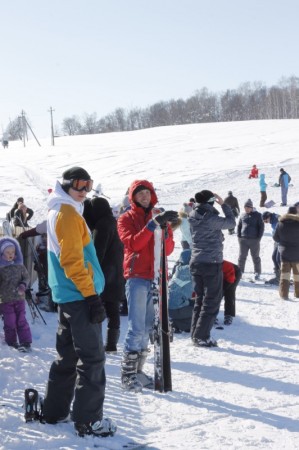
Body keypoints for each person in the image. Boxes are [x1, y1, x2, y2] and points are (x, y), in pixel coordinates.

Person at [42, 166, 116, 438]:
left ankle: (54, 410)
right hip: (78, 296)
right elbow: (72, 262)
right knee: (92, 358)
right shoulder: (68, 214)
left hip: (66, 295)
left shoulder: (58, 210)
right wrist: (91, 296)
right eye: (78, 185)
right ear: (65, 186)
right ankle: (88, 420)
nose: (84, 191)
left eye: (88, 185)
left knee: (68, 356)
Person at [117, 180, 177, 392]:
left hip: (156, 277)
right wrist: (151, 225)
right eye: (140, 194)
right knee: (136, 327)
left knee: (149, 327)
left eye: (147, 193)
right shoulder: (126, 218)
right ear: (133, 197)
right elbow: (133, 243)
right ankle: (128, 375)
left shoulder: (157, 215)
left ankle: (138, 371)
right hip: (137, 276)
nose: (144, 197)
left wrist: (165, 230)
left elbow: (168, 250)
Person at [188, 189, 235, 348]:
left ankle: (195, 333)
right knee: (212, 300)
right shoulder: (210, 218)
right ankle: (201, 336)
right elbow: (231, 222)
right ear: (210, 201)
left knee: (200, 299)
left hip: (196, 261)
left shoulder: (193, 215)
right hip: (211, 262)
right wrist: (223, 204)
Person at [83, 197, 124, 353]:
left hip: (104, 274)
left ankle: (97, 343)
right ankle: (112, 344)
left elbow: (97, 253)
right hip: (116, 272)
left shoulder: (102, 224)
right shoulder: (114, 222)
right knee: (113, 309)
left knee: (98, 308)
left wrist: (91, 272)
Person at [0, 237, 32, 352]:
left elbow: (27, 277)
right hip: (5, 300)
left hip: (20, 298)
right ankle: (11, 342)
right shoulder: (1, 268)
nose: (11, 254)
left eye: (13, 252)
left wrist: (23, 285)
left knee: (21, 320)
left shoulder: (20, 266)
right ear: (2, 253)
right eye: (8, 252)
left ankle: (26, 342)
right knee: (10, 321)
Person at [273, 206, 299, 300]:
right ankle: (298, 294)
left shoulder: (280, 223)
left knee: (284, 275)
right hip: (297, 253)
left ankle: (284, 294)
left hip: (284, 253)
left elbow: (275, 238)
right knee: (297, 275)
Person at [237, 199, 264, 280]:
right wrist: (239, 237)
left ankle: (257, 273)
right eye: (245, 207)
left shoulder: (258, 215)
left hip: (254, 240)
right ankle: (240, 272)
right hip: (243, 240)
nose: (246, 209)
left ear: (251, 207)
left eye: (248, 207)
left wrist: (258, 238)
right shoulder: (242, 215)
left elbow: (261, 227)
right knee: (242, 257)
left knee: (255, 257)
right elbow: (239, 226)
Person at [168, 249, 194, 333]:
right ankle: (178, 324)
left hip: (170, 308)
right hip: (178, 309)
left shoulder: (178, 270)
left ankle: (176, 323)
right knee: (202, 308)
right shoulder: (188, 271)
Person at [220, 260, 242, 325]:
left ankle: (229, 315)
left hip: (234, 273)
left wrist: (222, 290)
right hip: (223, 275)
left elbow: (230, 279)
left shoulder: (224, 265)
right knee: (215, 294)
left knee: (229, 292)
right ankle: (212, 314)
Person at [262, 211, 281, 284]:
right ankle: (278, 276)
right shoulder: (272, 220)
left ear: (268, 217)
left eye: (266, 221)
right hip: (277, 241)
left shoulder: (277, 218)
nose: (265, 222)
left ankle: (281, 278)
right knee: (274, 257)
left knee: (278, 259)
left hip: (281, 242)